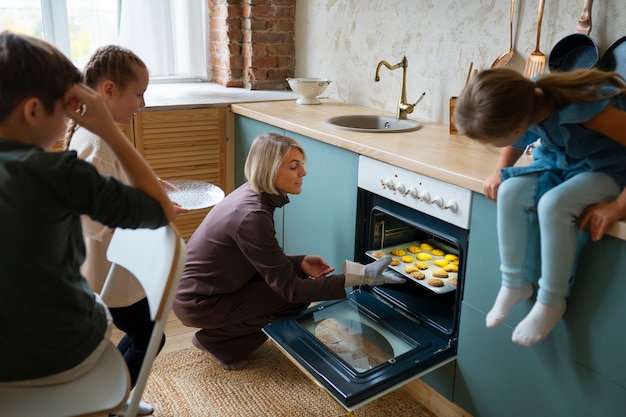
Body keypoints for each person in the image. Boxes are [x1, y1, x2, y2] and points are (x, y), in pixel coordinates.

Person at [0, 30, 176, 389]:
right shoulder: (61, 171)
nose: (70, 117)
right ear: (33, 110)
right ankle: (113, 400)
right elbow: (159, 210)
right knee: (147, 333)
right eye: (64, 106)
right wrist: (109, 130)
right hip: (60, 357)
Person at [173, 133, 404, 370]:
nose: (303, 172)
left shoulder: (251, 195)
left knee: (296, 283)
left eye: (301, 164)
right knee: (292, 298)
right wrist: (360, 275)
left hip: (203, 289)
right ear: (270, 170)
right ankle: (217, 342)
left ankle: (219, 339)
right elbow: (291, 291)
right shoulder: (253, 216)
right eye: (294, 166)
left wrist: (299, 262)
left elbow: (259, 258)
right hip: (199, 301)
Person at [454, 68, 626, 346]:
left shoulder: (585, 108)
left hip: (607, 169)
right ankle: (513, 283)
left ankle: (551, 301)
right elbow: (515, 145)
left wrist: (618, 207)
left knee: (554, 205)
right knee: (509, 190)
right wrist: (501, 170)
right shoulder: (526, 99)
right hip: (562, 162)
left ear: (517, 128)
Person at [63, 45, 185, 415]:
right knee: (150, 337)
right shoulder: (98, 143)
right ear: (109, 90)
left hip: (117, 267)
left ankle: (113, 398)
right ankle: (111, 402)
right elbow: (93, 215)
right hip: (109, 269)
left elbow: (111, 187)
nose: (143, 103)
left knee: (145, 335)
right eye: (138, 93)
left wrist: (148, 185)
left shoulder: (99, 139)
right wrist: (143, 218)